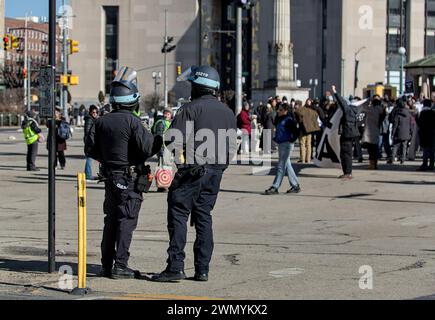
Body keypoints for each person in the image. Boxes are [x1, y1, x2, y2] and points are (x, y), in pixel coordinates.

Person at [152, 65, 237, 282]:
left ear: (198, 87)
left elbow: (172, 140)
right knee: (204, 218)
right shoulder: (228, 113)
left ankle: (176, 266)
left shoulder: (189, 109)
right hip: (215, 172)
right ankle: (202, 269)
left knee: (178, 214)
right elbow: (231, 147)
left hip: (193, 170)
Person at [85, 66, 162, 279]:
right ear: (133, 100)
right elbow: (148, 148)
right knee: (126, 220)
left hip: (110, 177)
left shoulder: (100, 122)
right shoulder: (133, 122)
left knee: (110, 220)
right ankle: (121, 265)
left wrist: (109, 161)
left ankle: (106, 265)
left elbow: (90, 149)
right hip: (129, 179)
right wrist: (158, 136)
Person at [264, 103, 301, 195]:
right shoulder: (280, 119)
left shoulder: (289, 120)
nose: (278, 111)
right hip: (281, 144)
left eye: (280, 110)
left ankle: (275, 186)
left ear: (285, 111)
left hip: (286, 144)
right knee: (287, 165)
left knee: (281, 166)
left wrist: (291, 141)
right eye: (278, 109)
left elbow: (296, 132)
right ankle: (295, 185)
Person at [332, 85, 359, 179]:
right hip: (352, 134)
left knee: (345, 154)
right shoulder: (356, 111)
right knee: (348, 153)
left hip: (347, 133)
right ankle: (348, 172)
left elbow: (342, 102)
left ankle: (347, 173)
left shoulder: (348, 110)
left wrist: (335, 92)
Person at [360, 96, 386, 170]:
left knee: (371, 150)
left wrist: (368, 99)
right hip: (376, 131)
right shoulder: (381, 110)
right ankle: (375, 164)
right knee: (375, 149)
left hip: (369, 132)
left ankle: (372, 165)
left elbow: (363, 106)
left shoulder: (372, 110)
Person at [152, 108, 173, 192]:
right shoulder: (161, 123)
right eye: (165, 113)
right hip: (162, 148)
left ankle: (164, 184)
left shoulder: (168, 123)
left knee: (166, 166)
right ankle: (161, 186)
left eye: (168, 114)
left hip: (167, 148)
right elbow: (159, 136)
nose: (166, 115)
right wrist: (160, 149)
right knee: (162, 166)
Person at [295, 98, 320, 163]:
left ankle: (302, 159)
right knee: (308, 144)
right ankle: (308, 159)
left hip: (302, 129)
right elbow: (316, 114)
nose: (295, 106)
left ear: (298, 105)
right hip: (310, 129)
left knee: (302, 144)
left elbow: (298, 120)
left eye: (295, 104)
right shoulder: (308, 110)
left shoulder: (298, 110)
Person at [390, 97, 412, 164]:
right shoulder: (408, 114)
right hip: (406, 132)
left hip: (398, 132)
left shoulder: (398, 114)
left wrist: (392, 133)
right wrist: (410, 132)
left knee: (395, 146)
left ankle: (392, 158)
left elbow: (395, 125)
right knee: (404, 146)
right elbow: (410, 124)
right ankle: (402, 159)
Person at [416, 99, 435, 171]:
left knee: (425, 150)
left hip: (424, 133)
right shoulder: (433, 113)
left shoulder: (422, 113)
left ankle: (424, 164)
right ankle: (431, 165)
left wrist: (416, 118)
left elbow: (420, 124)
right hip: (432, 134)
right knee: (431, 150)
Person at [84, 105, 99, 180]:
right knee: (89, 158)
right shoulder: (89, 120)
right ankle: (88, 175)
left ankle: (87, 173)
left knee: (89, 158)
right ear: (90, 112)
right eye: (93, 112)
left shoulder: (92, 119)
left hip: (90, 140)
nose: (95, 114)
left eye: (96, 112)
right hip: (89, 141)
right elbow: (88, 131)